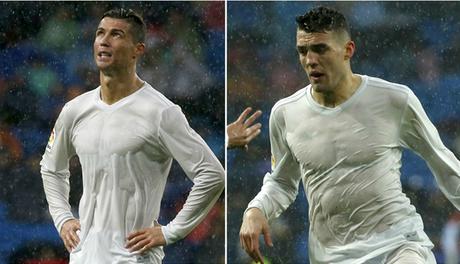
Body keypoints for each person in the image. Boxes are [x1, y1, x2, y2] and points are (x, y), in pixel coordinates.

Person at [239, 6, 460, 264]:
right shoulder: (285, 114)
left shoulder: (393, 99)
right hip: (330, 257)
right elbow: (282, 182)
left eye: (320, 49)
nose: (310, 60)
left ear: (348, 50)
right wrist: (256, 209)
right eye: (303, 51)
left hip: (398, 246)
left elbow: (443, 163)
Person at [40, 8, 224, 263]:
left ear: (138, 49)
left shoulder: (161, 112)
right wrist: (62, 218)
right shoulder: (75, 110)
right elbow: (51, 168)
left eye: (116, 35)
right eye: (100, 33)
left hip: (133, 258)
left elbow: (212, 174)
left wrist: (171, 231)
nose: (104, 41)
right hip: (84, 256)